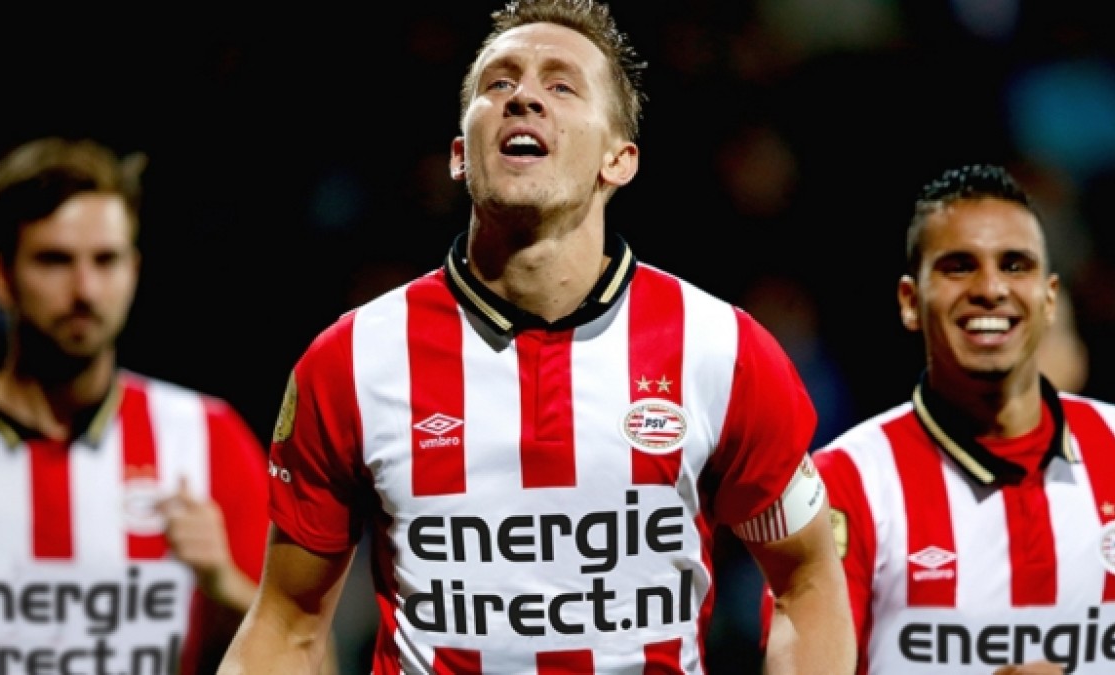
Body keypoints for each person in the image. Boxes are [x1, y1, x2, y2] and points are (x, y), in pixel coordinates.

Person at [218, 1, 854, 673]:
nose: (522, 96)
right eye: (499, 83)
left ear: (618, 160)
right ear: (460, 157)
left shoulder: (721, 348)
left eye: (561, 85)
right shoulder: (352, 361)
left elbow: (808, 582)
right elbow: (286, 624)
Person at [0, 136, 272, 675]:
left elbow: (314, 659)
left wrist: (226, 586)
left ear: (134, 271)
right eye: (55, 261)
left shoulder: (205, 437)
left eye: (106, 260)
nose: (85, 290)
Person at [772, 163, 1115, 674]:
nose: (991, 288)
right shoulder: (844, 484)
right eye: (959, 266)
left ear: (1049, 300)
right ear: (910, 302)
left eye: (1015, 265)